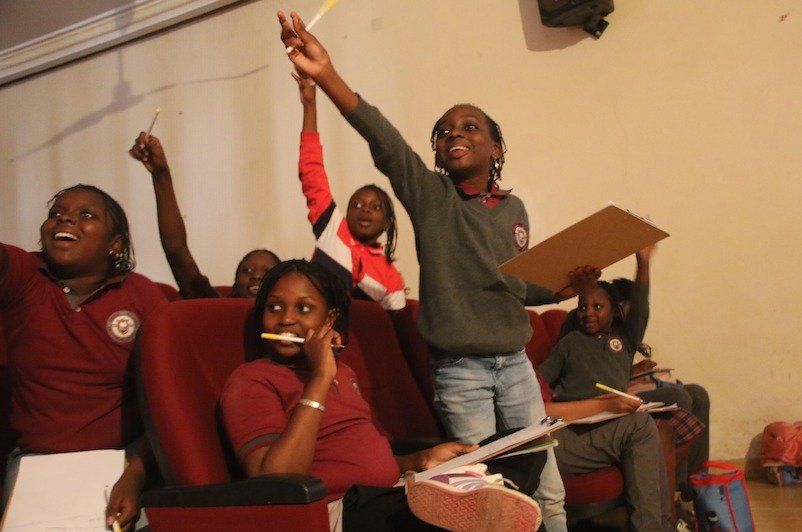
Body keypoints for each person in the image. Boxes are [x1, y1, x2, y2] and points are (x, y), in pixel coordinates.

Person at [277, 13, 601, 530]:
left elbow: (515, 285)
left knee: (548, 488)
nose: (455, 134)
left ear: (495, 147)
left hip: (516, 366)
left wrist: (567, 287)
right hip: (461, 371)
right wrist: (327, 75)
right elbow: (384, 140)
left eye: (470, 127)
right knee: (485, 494)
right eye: (444, 131)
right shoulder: (432, 197)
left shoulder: (513, 209)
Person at [220, 259, 546, 531]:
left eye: (303, 308)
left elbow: (364, 455)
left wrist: (419, 460)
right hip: (338, 510)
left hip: (393, 489)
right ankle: (478, 499)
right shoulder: (252, 379)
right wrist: (320, 378)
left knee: (522, 447)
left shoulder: (344, 372)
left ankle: (477, 496)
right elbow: (276, 482)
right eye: (274, 307)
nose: (286, 319)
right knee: (442, 512)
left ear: (329, 319)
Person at [0, 184, 166, 530]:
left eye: (86, 215)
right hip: (36, 466)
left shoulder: (141, 295)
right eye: (56, 214)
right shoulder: (25, 276)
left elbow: (168, 403)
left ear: (115, 244)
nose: (65, 219)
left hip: (123, 461)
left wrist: (135, 474)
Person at [536, 248, 674, 531]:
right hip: (576, 428)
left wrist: (643, 262)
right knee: (641, 425)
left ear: (615, 311)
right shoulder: (570, 342)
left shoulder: (624, 340)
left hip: (610, 423)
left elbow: (641, 306)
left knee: (657, 416)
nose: (588, 313)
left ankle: (663, 524)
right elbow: (538, 384)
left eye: (597, 307)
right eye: (582, 307)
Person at [559, 275, 710, 497]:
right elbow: (584, 374)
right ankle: (675, 489)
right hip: (605, 397)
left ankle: (693, 489)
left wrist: (637, 373)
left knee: (697, 393)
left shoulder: (618, 332)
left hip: (625, 388)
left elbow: (613, 367)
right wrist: (632, 375)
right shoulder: (578, 330)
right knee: (680, 397)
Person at [292, 72, 405, 311]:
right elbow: (311, 170)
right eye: (358, 205)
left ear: (387, 222)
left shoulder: (392, 279)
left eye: (376, 207)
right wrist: (309, 105)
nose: (365, 210)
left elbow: (391, 328)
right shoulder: (332, 228)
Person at [129, 133, 280, 299]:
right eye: (248, 270)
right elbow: (176, 251)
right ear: (234, 287)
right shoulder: (214, 306)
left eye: (268, 272)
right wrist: (160, 174)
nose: (256, 276)